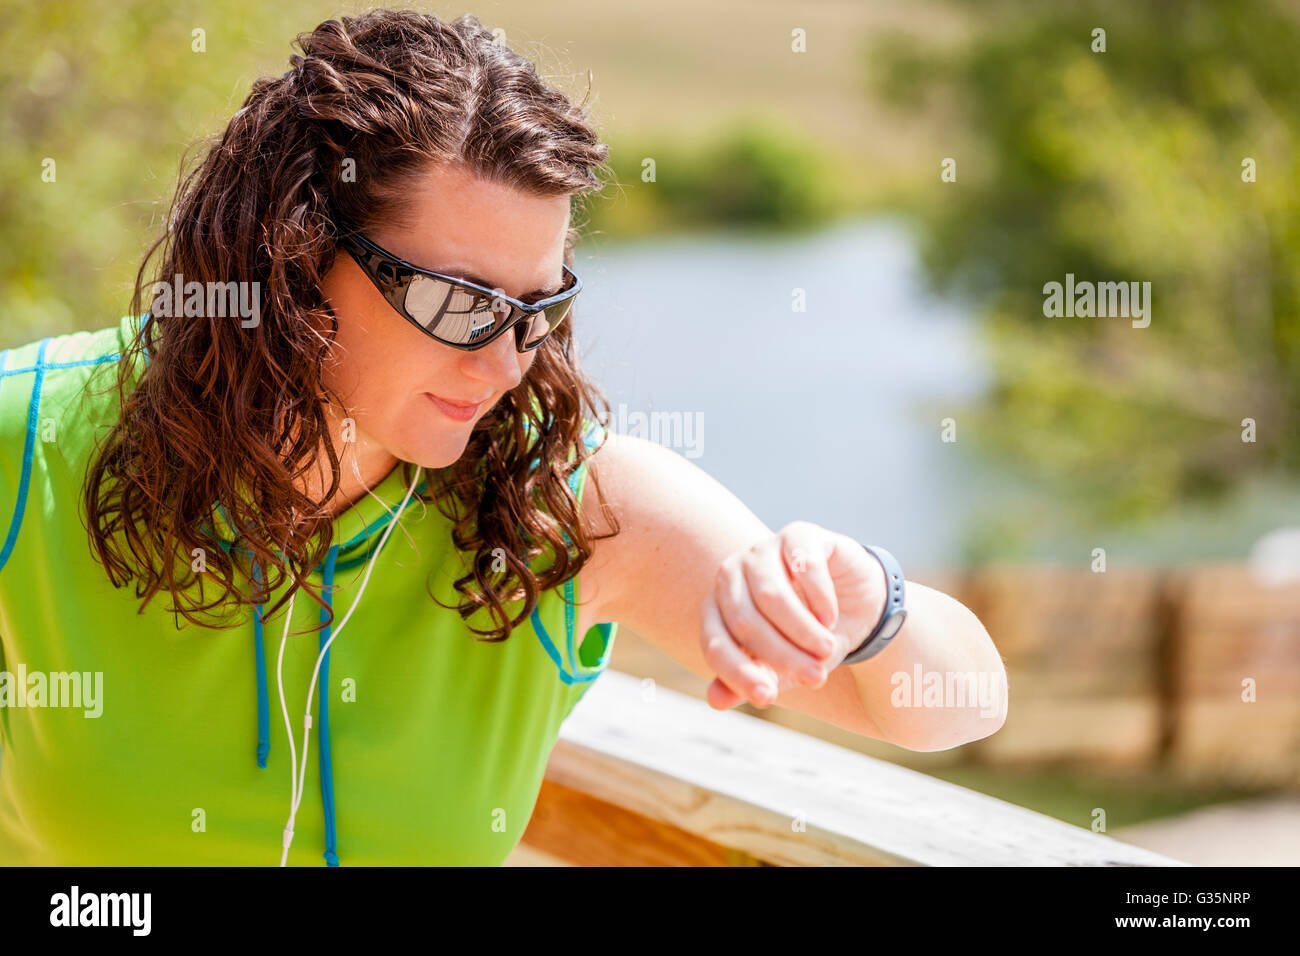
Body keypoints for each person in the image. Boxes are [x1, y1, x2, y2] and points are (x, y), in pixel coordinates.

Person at [0, 9, 1006, 866]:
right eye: (454, 302)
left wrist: (868, 600)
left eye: (536, 305)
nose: (506, 364)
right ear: (292, 256)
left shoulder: (564, 503)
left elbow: (950, 704)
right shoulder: (31, 438)